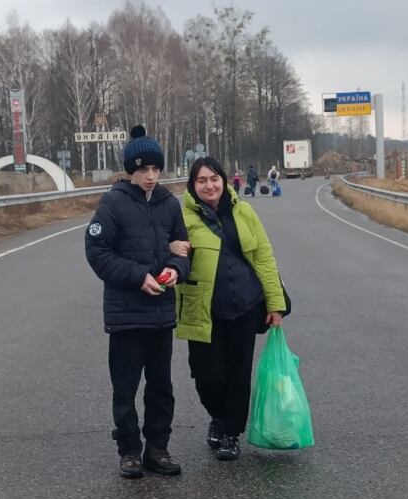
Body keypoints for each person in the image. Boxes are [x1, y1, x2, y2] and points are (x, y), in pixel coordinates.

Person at [85, 125, 190, 479]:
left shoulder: (169, 204)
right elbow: (97, 253)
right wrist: (138, 275)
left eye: (156, 169)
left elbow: (183, 248)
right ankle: (129, 450)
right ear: (131, 169)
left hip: (161, 315)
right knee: (126, 388)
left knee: (161, 387)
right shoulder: (113, 203)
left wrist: (176, 268)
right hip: (127, 316)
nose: (150, 176)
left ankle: (157, 448)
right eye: (143, 169)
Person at [169, 157, 287, 461]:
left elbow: (264, 257)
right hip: (202, 308)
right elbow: (167, 254)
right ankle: (219, 416)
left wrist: (275, 303)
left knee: (238, 373)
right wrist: (171, 250)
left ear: (223, 180)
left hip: (245, 306)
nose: (209, 185)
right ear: (192, 186)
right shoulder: (181, 217)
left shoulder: (244, 211)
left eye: (214, 178)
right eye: (202, 180)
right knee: (206, 375)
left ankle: (231, 433)